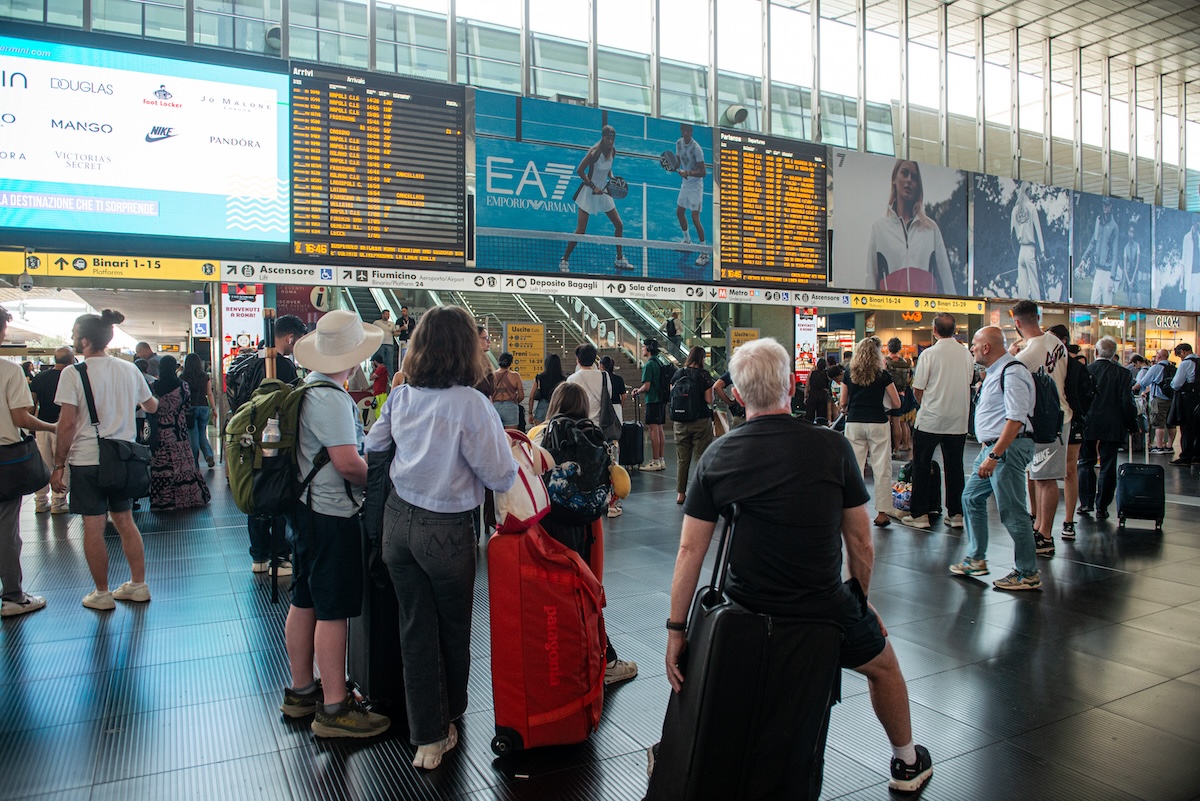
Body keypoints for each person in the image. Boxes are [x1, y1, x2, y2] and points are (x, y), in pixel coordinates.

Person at [663, 338, 932, 793]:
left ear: (739, 395)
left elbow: (691, 551)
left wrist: (676, 630)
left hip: (744, 608)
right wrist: (859, 601)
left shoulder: (719, 456)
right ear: (792, 384)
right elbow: (861, 543)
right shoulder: (832, 448)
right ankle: (907, 762)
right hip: (823, 606)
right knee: (884, 667)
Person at [365, 305, 517, 767]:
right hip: (446, 531)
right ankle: (449, 719)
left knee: (414, 626)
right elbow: (499, 475)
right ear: (466, 349)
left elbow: (373, 447)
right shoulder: (471, 404)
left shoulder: (403, 396)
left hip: (397, 524)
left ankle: (426, 734)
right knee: (452, 629)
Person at [280, 310, 388, 739]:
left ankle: (302, 690)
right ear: (353, 356)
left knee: (305, 599)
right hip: (332, 515)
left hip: (307, 512)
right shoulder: (331, 398)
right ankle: (334, 708)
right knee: (334, 610)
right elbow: (347, 463)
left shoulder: (307, 389)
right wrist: (380, 479)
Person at [53, 310, 159, 610]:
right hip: (123, 458)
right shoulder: (129, 370)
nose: (74, 340)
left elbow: (67, 424)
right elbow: (151, 406)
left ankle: (102, 593)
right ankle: (138, 584)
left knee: (94, 526)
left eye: (75, 335)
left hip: (88, 460)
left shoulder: (73, 374)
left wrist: (58, 464)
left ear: (85, 341)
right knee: (125, 521)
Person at [534, 382, 639, 685]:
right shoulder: (594, 437)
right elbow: (620, 484)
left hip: (545, 525)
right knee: (584, 593)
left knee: (550, 596)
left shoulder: (540, 433)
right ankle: (606, 661)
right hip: (583, 527)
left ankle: (554, 659)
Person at [950, 326, 1040, 591]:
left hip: (1005, 450)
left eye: (975, 345)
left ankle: (1027, 573)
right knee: (970, 497)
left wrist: (994, 454)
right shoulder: (995, 373)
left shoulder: (1012, 372)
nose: (972, 349)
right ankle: (976, 558)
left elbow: (1015, 419)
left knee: (1013, 511)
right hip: (992, 449)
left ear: (986, 347)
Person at [228, 314, 306, 576]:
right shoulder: (282, 366)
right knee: (276, 493)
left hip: (248, 439)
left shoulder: (249, 361)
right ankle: (279, 557)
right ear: (290, 337)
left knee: (256, 493)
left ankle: (259, 555)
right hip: (274, 440)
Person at [0, 308, 57, 618]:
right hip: (5, 458)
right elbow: (21, 418)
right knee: (6, 530)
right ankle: (12, 597)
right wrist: (51, 427)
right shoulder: (9, 372)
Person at [1012, 299, 1069, 558]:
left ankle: (1045, 535)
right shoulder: (1056, 342)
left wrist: (1013, 355)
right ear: (1038, 317)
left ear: (1017, 323)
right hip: (1061, 416)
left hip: (1044, 422)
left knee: (1045, 480)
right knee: (1039, 476)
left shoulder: (1026, 356)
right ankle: (1039, 526)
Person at [903, 314, 972, 530]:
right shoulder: (966, 354)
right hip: (958, 419)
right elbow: (969, 381)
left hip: (931, 420)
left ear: (934, 330)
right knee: (955, 466)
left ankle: (920, 514)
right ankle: (956, 513)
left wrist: (927, 405)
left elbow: (918, 388)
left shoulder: (929, 354)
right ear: (955, 330)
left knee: (921, 465)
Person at [841, 337, 902, 527]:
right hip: (877, 422)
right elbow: (897, 403)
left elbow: (843, 403)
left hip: (854, 423)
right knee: (881, 467)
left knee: (855, 468)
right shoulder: (882, 375)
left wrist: (847, 407)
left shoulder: (849, 373)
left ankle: (854, 512)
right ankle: (882, 513)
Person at [868, 159, 953, 294]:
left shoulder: (931, 229)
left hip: (925, 311)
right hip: (891, 312)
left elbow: (947, 280)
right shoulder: (879, 229)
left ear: (918, 185)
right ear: (894, 179)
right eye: (904, 173)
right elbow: (870, 280)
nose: (909, 180)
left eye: (914, 177)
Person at [1078, 337, 1137, 520]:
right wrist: (1132, 424)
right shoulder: (1123, 374)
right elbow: (1126, 401)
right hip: (1113, 423)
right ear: (1114, 354)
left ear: (1096, 352)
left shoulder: (1086, 371)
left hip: (1088, 422)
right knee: (1108, 464)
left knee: (1086, 462)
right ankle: (1102, 506)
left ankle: (1085, 502)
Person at [559, 124, 632, 272]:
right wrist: (593, 187)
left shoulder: (613, 152)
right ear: (603, 137)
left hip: (604, 192)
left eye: (612, 139)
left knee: (619, 225)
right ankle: (564, 260)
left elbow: (609, 169)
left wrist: (612, 181)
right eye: (608, 138)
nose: (610, 142)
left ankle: (619, 259)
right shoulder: (594, 153)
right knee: (581, 230)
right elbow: (580, 170)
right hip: (589, 192)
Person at [148, 355, 211, 512]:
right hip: (178, 429)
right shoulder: (182, 386)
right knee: (183, 463)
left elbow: (149, 408)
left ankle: (163, 500)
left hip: (160, 431)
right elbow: (186, 403)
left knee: (162, 465)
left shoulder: (152, 387)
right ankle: (187, 497)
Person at [1050, 326, 1087, 541]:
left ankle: (1069, 520)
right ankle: (1036, 515)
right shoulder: (1048, 363)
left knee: (1069, 469)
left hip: (1071, 419)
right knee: (1037, 472)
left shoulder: (1074, 365)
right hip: (1052, 420)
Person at [30, 347, 73, 514]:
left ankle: (41, 501)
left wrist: (31, 427)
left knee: (44, 465)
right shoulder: (71, 377)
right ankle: (59, 501)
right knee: (62, 464)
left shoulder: (39, 377)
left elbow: (33, 403)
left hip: (41, 425)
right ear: (71, 360)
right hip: (63, 426)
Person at [671, 346, 714, 505]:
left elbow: (673, 396)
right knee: (701, 458)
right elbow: (709, 400)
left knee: (683, 460)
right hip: (700, 422)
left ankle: (680, 494)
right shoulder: (704, 375)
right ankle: (701, 493)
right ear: (702, 358)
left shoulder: (678, 374)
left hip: (680, 422)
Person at [630, 338, 669, 471]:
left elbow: (647, 386)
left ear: (648, 348)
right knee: (660, 429)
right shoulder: (659, 362)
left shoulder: (649, 365)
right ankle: (661, 459)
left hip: (652, 399)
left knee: (653, 430)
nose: (642, 349)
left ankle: (655, 461)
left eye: (643, 347)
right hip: (661, 400)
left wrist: (637, 391)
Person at [674, 123, 709, 267]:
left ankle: (704, 253)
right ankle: (688, 241)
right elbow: (677, 160)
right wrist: (674, 166)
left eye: (688, 131)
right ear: (682, 131)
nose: (686, 133)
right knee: (680, 213)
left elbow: (703, 172)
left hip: (695, 187)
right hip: (685, 184)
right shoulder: (678, 143)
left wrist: (687, 173)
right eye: (684, 131)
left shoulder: (697, 149)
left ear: (691, 132)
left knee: (695, 219)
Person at [600, 355, 628, 517]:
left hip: (605, 413)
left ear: (602, 365)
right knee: (615, 441)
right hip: (617, 411)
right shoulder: (618, 379)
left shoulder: (601, 378)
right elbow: (623, 397)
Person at [1079, 197, 1120, 306]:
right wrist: (1084, 258)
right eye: (1103, 204)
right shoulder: (1099, 222)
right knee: (1093, 304)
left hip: (1107, 273)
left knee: (1107, 308)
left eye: (1107, 205)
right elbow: (1093, 242)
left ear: (1111, 206)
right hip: (1098, 271)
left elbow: (1116, 254)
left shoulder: (1114, 227)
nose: (1104, 207)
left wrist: (1112, 278)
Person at [1009, 184, 1046, 300]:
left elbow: (1012, 236)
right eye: (1030, 190)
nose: (1031, 193)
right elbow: (1038, 231)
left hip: (1021, 251)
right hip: (1030, 249)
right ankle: (1037, 311)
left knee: (1022, 289)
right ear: (1027, 191)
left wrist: (1016, 254)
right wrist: (1043, 251)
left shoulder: (1015, 210)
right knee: (1035, 286)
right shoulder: (1031, 207)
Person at [181, 353, 216, 469]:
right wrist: (214, 408)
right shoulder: (204, 376)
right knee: (202, 433)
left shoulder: (183, 376)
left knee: (193, 435)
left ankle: (194, 461)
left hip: (190, 409)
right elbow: (209, 393)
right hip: (204, 407)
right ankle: (209, 455)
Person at [1140, 349, 1176, 455]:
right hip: (1171, 398)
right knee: (1171, 423)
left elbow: (1144, 382)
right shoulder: (1173, 368)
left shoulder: (1156, 368)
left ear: (1159, 356)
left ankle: (1159, 446)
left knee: (1158, 423)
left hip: (1159, 399)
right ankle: (1169, 446)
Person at [885, 338, 914, 457]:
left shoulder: (886, 361)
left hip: (887, 395)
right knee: (897, 422)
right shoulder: (905, 363)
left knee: (886, 423)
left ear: (888, 347)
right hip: (901, 395)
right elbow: (908, 380)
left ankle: (887, 448)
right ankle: (897, 450)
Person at [1171, 343, 1199, 465]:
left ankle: (1186, 456)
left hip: (1188, 399)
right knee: (1198, 427)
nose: (1180, 358)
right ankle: (1197, 455)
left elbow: (1176, 383)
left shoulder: (1186, 363)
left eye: (1179, 355)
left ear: (1183, 352)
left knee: (1187, 427)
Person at [529, 354, 567, 426]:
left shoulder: (539, 377)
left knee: (539, 432)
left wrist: (530, 413)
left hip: (542, 406)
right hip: (557, 406)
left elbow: (531, 396)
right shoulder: (563, 379)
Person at [490, 352, 524, 429]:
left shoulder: (491, 376)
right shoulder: (515, 376)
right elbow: (521, 396)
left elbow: (488, 394)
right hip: (510, 406)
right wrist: (514, 402)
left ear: (499, 360)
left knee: (496, 435)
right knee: (512, 437)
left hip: (495, 406)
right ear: (510, 363)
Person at [371, 310, 399, 376]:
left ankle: (390, 376)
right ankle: (381, 375)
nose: (388, 316)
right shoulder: (377, 323)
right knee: (381, 360)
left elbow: (394, 333)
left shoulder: (391, 323)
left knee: (390, 361)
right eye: (386, 314)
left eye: (388, 315)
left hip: (390, 343)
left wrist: (397, 332)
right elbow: (373, 330)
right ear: (382, 315)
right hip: (381, 343)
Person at [1121, 224, 1144, 304]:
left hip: (1135, 274)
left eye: (1133, 232)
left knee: (1138, 299)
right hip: (1128, 275)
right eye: (1130, 232)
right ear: (1128, 233)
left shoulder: (1137, 246)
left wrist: (1133, 279)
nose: (1132, 234)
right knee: (1129, 301)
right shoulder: (1125, 248)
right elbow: (1124, 266)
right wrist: (1128, 280)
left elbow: (1137, 264)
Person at [1182, 218, 1200, 312]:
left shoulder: (1199, 236)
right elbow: (1183, 260)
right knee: (1189, 302)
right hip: (1189, 275)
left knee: (1197, 301)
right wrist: (1182, 280)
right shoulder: (1186, 237)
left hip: (1198, 274)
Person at [803, 358, 829, 422]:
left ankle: (809, 428)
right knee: (822, 414)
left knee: (810, 414)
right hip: (822, 395)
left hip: (812, 394)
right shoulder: (826, 374)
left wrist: (805, 396)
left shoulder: (812, 373)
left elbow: (807, 385)